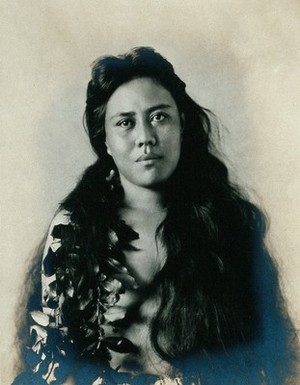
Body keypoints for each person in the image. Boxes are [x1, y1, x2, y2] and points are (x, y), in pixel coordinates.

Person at [14, 47, 298, 385]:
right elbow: (52, 366)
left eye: (159, 117)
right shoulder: (75, 229)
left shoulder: (226, 222)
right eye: (125, 123)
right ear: (104, 140)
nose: (145, 138)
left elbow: (262, 357)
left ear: (181, 126)